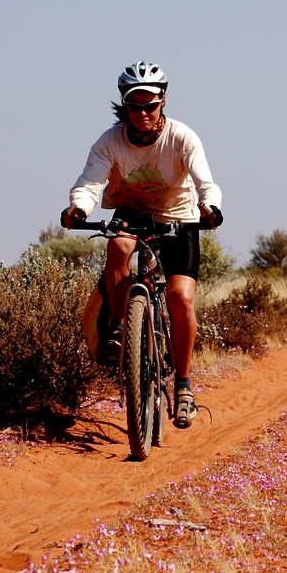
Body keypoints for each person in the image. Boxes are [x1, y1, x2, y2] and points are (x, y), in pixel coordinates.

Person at [66, 61, 223, 429]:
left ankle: (183, 385)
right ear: (125, 104)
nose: (143, 113)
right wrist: (78, 207)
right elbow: (90, 182)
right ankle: (121, 328)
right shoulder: (110, 141)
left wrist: (209, 206)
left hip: (178, 216)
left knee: (180, 297)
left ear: (163, 102)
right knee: (118, 247)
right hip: (132, 211)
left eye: (150, 105)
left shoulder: (182, 137)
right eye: (135, 106)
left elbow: (205, 180)